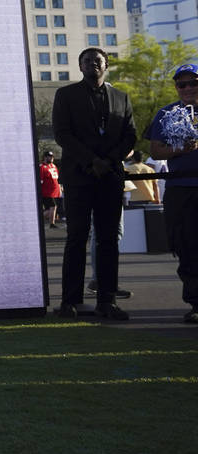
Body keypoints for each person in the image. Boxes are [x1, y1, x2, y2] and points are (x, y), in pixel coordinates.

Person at [51, 48, 135, 321]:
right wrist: (91, 161)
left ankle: (107, 300)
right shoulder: (66, 95)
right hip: (79, 177)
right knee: (76, 237)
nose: (92, 64)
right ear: (80, 65)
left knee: (109, 240)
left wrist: (108, 161)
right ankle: (70, 301)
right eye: (86, 60)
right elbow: (62, 134)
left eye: (97, 60)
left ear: (106, 65)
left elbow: (130, 135)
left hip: (110, 177)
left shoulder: (121, 98)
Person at [144, 62, 198, 324]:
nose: (187, 88)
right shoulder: (168, 113)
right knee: (186, 247)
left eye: (193, 82)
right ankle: (196, 302)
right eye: (182, 83)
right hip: (181, 188)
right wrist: (181, 150)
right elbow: (155, 151)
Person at [39, 150, 62, 228]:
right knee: (53, 206)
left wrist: (60, 187)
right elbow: (40, 180)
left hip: (55, 191)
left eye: (52, 157)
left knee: (49, 210)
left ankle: (39, 219)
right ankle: (52, 224)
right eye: (49, 156)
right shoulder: (42, 167)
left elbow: (57, 178)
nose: (52, 158)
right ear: (45, 157)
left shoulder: (53, 166)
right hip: (47, 192)